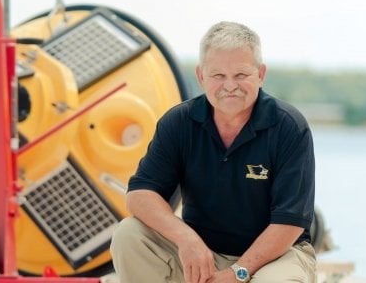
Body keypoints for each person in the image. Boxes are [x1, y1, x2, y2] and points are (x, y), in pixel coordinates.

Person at [110, 21, 316, 283]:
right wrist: (187, 239)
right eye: (218, 75)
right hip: (202, 253)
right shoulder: (178, 122)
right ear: (201, 76)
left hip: (276, 258)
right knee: (129, 234)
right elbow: (139, 195)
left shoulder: (289, 126)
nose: (230, 85)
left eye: (241, 75)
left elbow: (289, 223)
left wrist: (238, 273)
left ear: (260, 74)